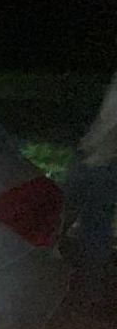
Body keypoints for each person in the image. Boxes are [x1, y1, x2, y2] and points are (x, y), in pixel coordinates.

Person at [65, 59, 117, 275]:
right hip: (103, 154)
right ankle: (92, 266)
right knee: (95, 213)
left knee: (91, 214)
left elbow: (110, 118)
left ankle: (90, 270)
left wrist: (90, 148)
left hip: (101, 156)